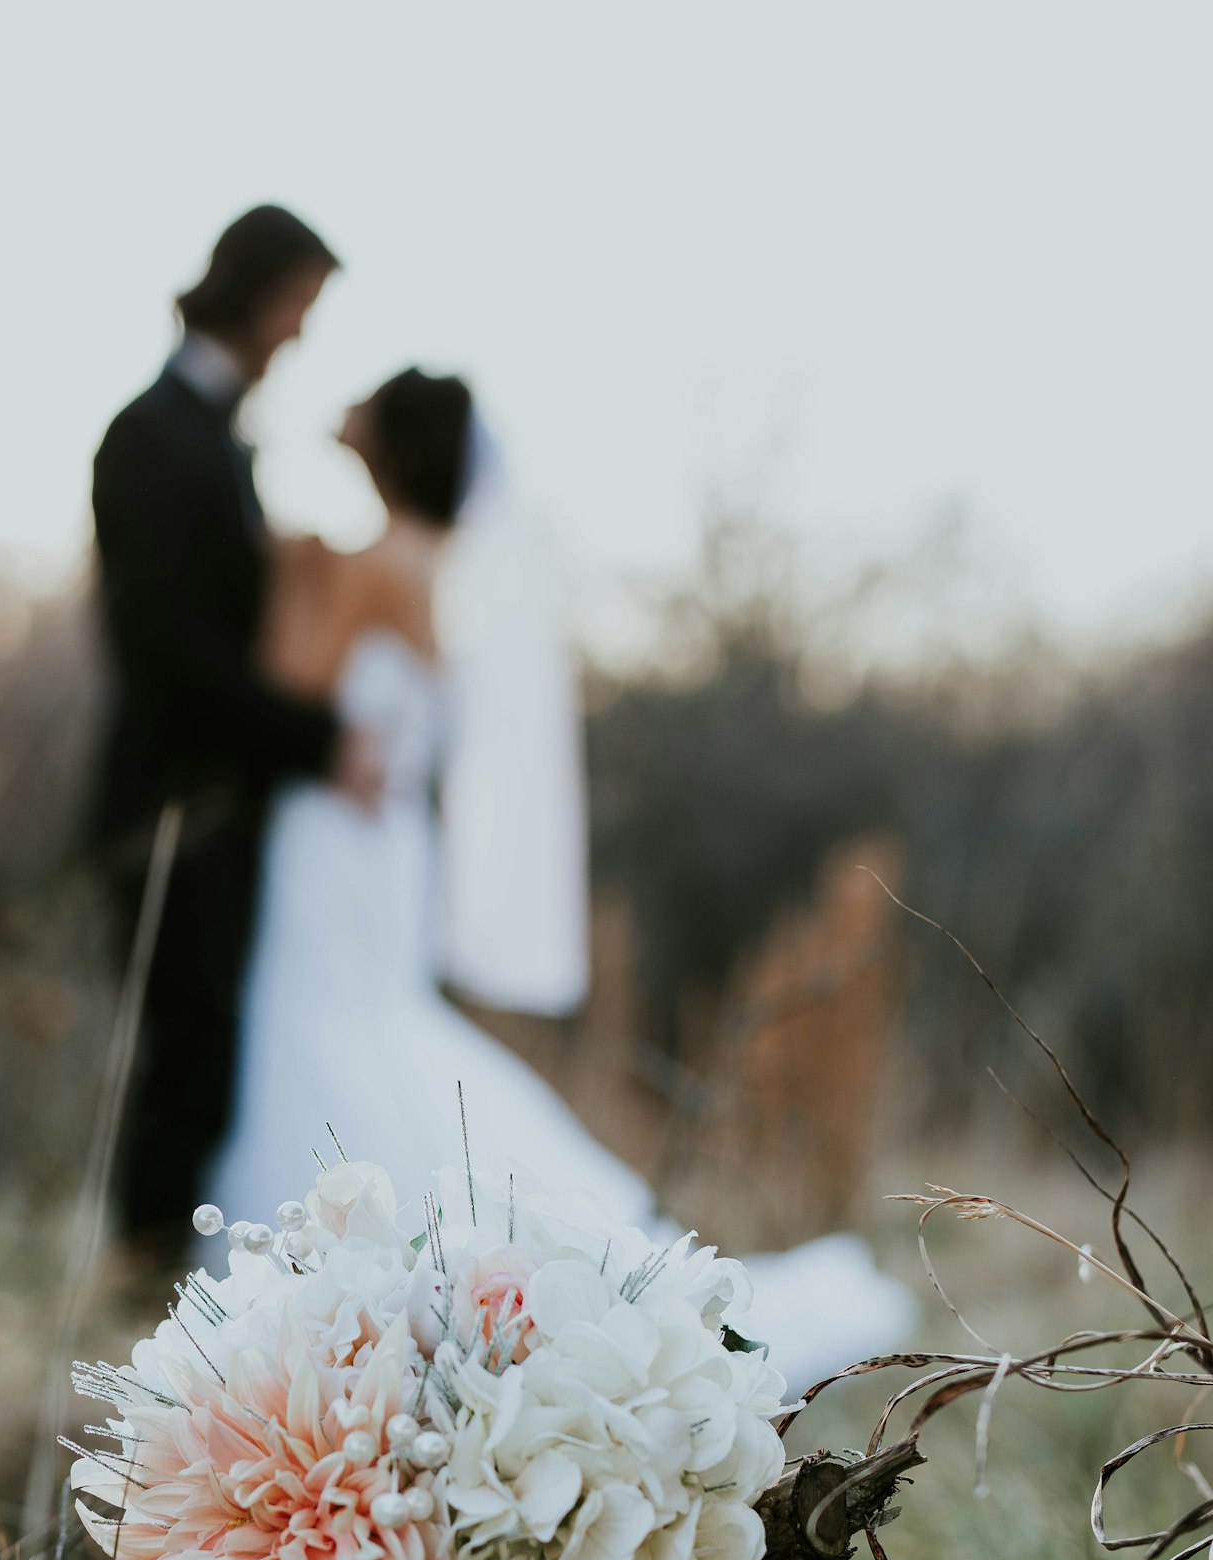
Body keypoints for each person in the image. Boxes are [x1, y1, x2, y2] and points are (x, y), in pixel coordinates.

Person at [208, 369, 914, 1396]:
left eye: (365, 405)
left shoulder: (371, 562)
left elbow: (290, 685)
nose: (343, 409)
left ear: (392, 446)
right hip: (377, 838)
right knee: (356, 1020)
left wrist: (292, 572)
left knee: (324, 1019)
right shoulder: (435, 561)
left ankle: (329, 1276)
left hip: (332, 833)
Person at [89, 205, 379, 1260]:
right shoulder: (149, 435)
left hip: (223, 806)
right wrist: (314, 736)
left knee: (206, 1055)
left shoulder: (214, 439)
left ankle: (159, 1276)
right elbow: (165, 649)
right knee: (183, 1055)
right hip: (172, 810)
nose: (299, 334)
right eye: (298, 305)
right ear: (255, 295)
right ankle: (142, 1277)